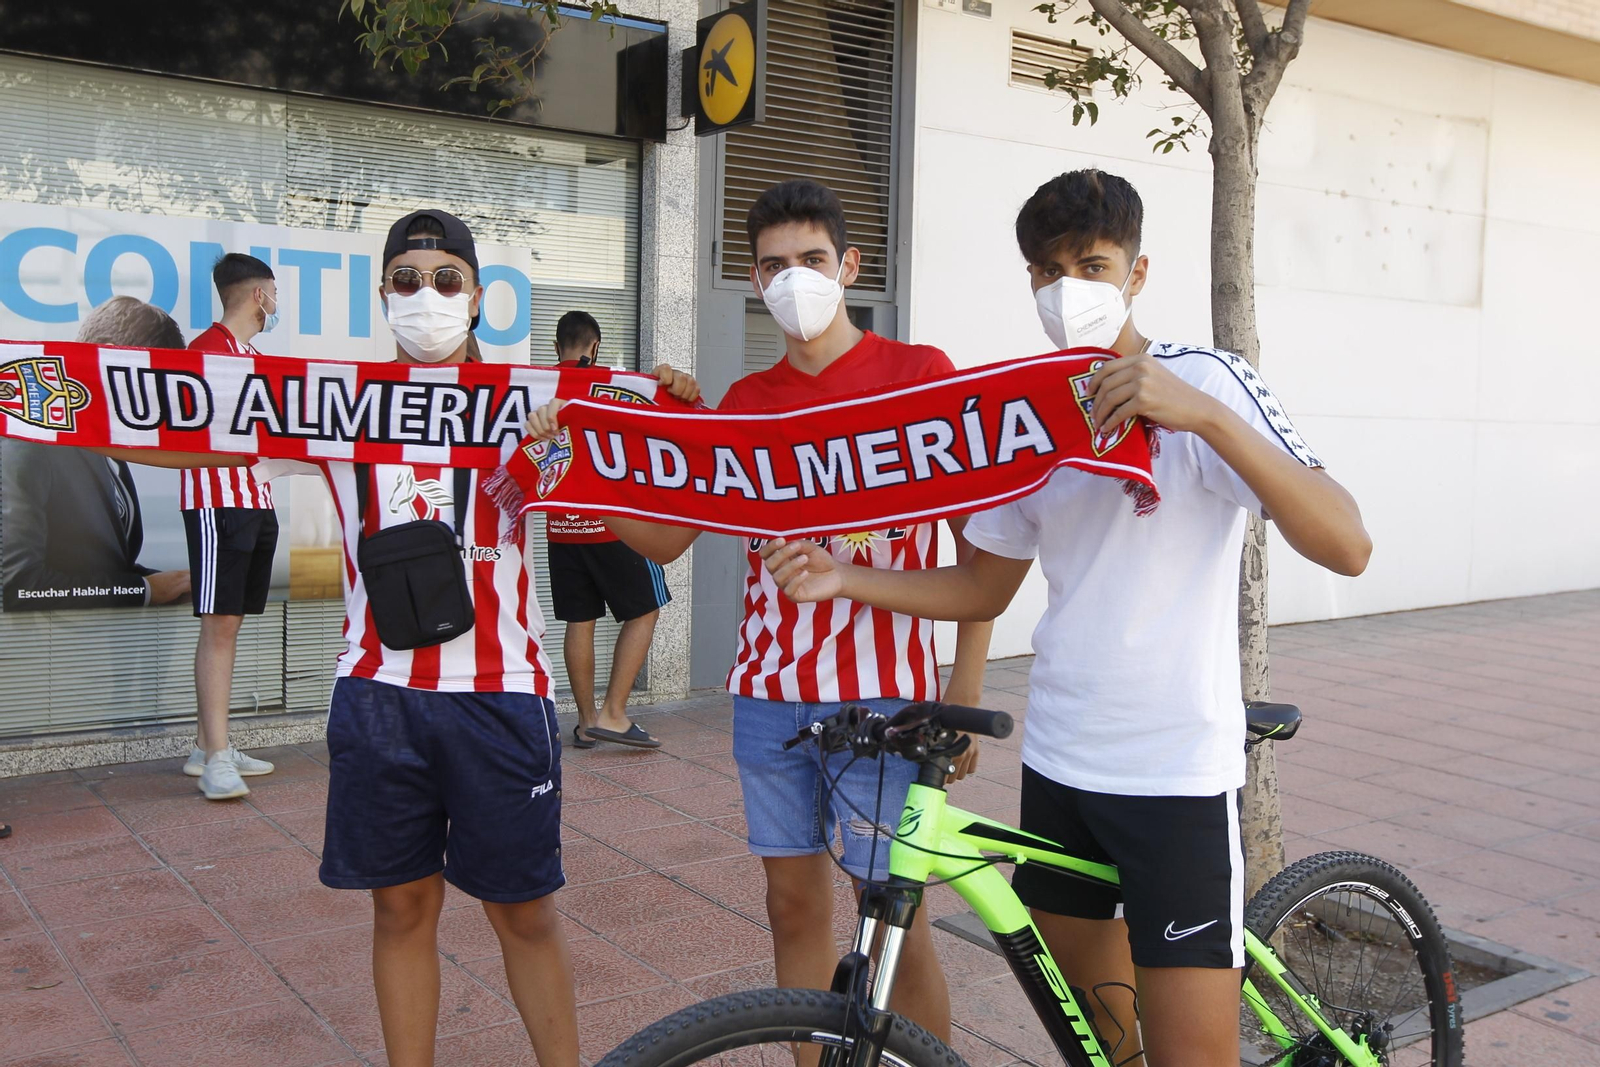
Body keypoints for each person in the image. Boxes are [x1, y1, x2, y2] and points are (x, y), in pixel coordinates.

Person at [761, 169, 1373, 1067]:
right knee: (1102, 1051)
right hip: (1061, 768)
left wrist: (1198, 415)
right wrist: (844, 576)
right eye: (1048, 271)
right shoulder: (1032, 414)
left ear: (1137, 272)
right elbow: (981, 587)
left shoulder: (1207, 382)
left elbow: (1348, 542)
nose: (1069, 290)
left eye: (1092, 265)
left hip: (1174, 776)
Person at [113, 209, 699, 1067]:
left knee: (526, 913)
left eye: (446, 281)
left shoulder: (538, 410)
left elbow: (664, 542)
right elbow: (177, 437)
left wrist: (674, 423)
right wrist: (60, 402)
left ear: (479, 297)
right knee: (400, 910)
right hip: (379, 693)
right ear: (382, 294)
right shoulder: (333, 402)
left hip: (501, 694)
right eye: (407, 282)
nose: (426, 298)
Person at [527, 179, 992, 1045]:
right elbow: (663, 542)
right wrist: (568, 463)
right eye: (775, 265)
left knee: (896, 918)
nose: (794, 279)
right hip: (770, 694)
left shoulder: (920, 376)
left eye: (812, 260)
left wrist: (960, 697)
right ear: (752, 278)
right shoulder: (744, 406)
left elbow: (981, 555)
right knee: (789, 905)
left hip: (886, 703)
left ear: (850, 266)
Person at [1, 297, 191, 613]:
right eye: (151, 380)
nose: (158, 401)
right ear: (106, 354)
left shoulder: (104, 444)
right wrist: (141, 590)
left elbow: (98, 563)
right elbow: (16, 585)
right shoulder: (28, 443)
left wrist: (164, 585)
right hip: (41, 656)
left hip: (91, 650)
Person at [181, 254, 282, 800]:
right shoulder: (205, 352)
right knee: (219, 624)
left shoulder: (256, 356)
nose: (277, 302)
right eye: (275, 291)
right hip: (216, 504)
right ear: (257, 294)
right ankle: (216, 754)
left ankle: (208, 744)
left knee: (231, 623)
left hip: (256, 499)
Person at [547, 310, 668, 750]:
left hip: (561, 528)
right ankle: (614, 714)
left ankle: (585, 723)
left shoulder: (536, 386)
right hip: (610, 525)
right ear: (595, 347)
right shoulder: (611, 388)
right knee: (646, 608)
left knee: (580, 621)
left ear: (555, 345)